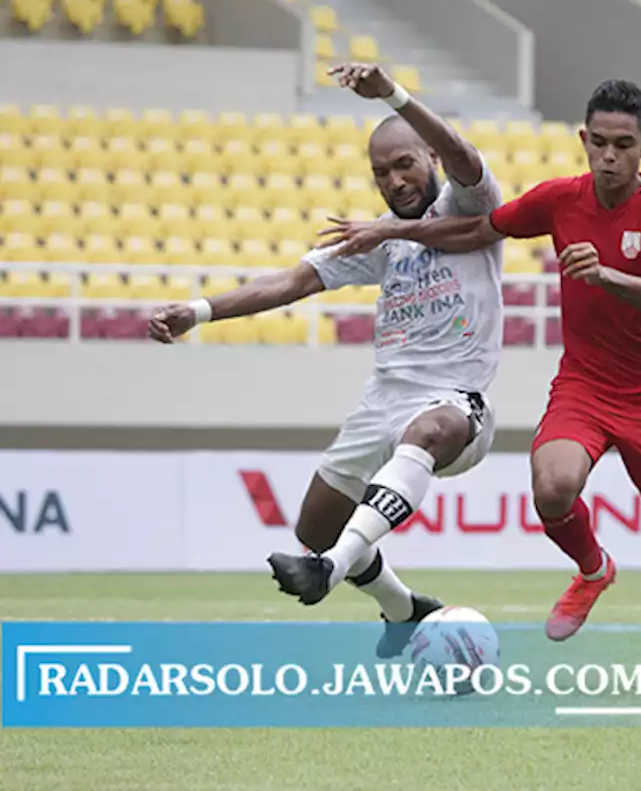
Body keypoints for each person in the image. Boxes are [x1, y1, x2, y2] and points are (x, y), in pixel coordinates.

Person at [313, 79, 641, 687]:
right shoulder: (559, 200)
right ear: (583, 140)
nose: (609, 156)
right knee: (552, 488)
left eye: (624, 145)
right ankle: (592, 568)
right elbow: (476, 231)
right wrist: (390, 231)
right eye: (599, 142)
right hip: (584, 385)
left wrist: (604, 276)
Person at [148, 62, 505, 658]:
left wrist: (391, 95)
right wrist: (199, 310)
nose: (395, 181)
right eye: (381, 173)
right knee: (313, 528)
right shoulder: (377, 238)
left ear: (429, 161)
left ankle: (330, 571)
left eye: (405, 164)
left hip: (456, 403)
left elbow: (461, 151)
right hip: (383, 401)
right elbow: (290, 283)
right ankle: (402, 608)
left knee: (427, 432)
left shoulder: (469, 201)